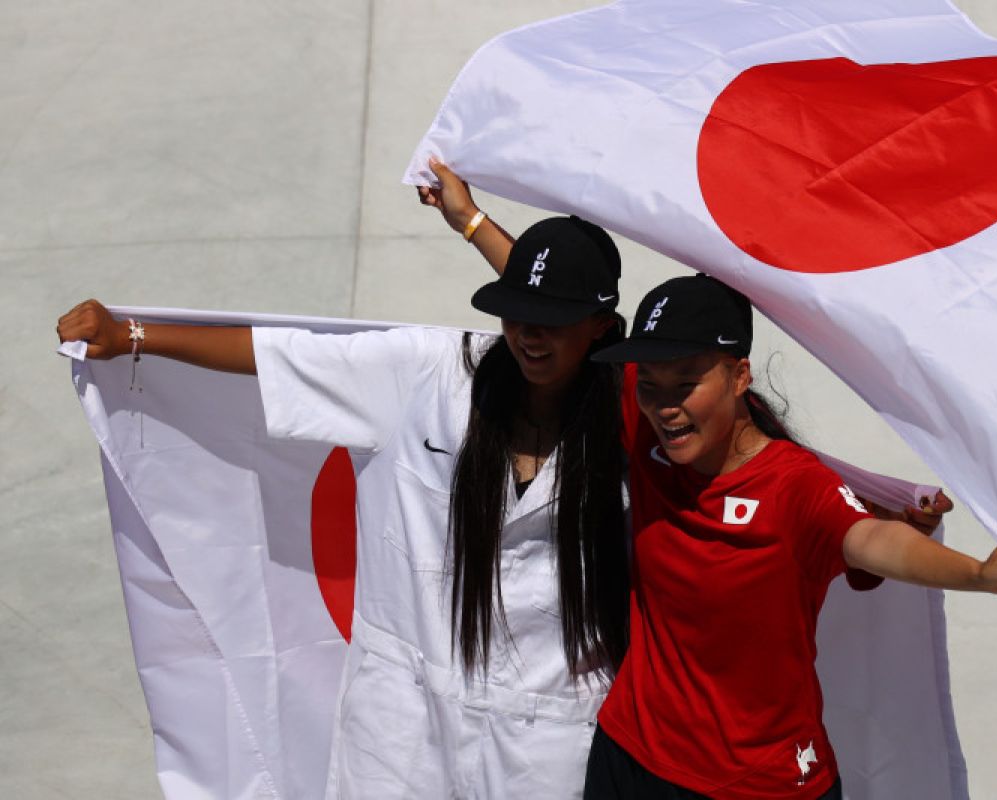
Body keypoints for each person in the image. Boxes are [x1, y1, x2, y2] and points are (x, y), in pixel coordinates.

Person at [55, 215, 631, 798]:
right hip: (402, 725)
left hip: (548, 736)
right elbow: (282, 356)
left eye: (553, 320)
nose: (529, 334)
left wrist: (473, 221)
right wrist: (133, 335)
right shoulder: (429, 371)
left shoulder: (638, 421)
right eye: (515, 311)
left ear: (601, 326)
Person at [578, 274, 997, 800]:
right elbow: (566, 302)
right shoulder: (648, 423)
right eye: (649, 385)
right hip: (629, 758)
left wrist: (978, 574)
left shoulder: (794, 485)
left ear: (740, 375)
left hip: (758, 784)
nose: (664, 405)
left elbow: (871, 540)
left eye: (686, 384)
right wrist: (471, 222)